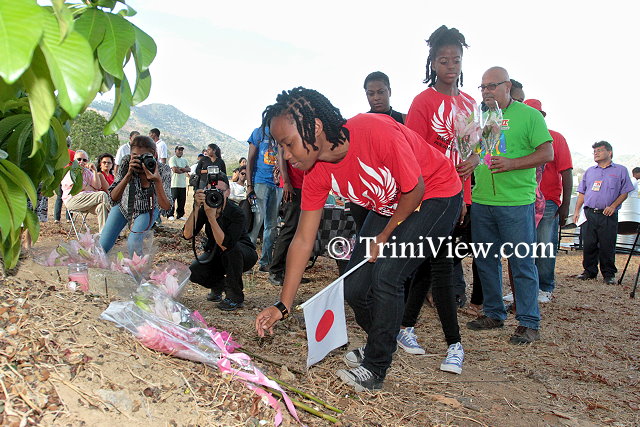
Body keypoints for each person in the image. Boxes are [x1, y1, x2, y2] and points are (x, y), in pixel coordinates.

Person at [254, 87, 462, 392]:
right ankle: (381, 338)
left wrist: (385, 236)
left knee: (387, 274)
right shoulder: (316, 173)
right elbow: (302, 239)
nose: (286, 155)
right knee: (354, 288)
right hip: (390, 204)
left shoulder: (374, 131)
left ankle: (376, 367)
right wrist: (283, 305)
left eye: (288, 143)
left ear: (315, 127)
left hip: (435, 194)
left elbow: (414, 190)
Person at [398, 25, 477, 368]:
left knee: (430, 266)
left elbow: (475, 150)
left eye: (455, 59)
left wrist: (474, 165)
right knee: (442, 266)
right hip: (431, 196)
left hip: (458, 197)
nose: (450, 66)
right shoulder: (423, 102)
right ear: (432, 63)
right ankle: (454, 345)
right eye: (443, 60)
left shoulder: (470, 103)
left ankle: (405, 327)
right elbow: (410, 153)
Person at [466, 67, 554, 345]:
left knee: (521, 263)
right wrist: (469, 161)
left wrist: (513, 163)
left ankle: (528, 322)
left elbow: (547, 153)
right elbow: (476, 151)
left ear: (507, 87)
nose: (486, 91)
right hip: (482, 201)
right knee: (485, 260)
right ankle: (493, 313)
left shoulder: (529, 115)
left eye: (492, 86)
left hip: (516, 203)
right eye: (483, 87)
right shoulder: (480, 118)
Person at [183, 173, 257, 311]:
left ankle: (234, 297)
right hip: (216, 253)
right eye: (211, 191)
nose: (215, 195)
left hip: (242, 254)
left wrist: (212, 218)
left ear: (228, 192)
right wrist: (196, 208)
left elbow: (226, 245)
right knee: (194, 271)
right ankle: (219, 286)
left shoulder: (236, 212)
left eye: (220, 191)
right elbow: (187, 235)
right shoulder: (205, 208)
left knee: (231, 250)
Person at [523, 99, 573, 302]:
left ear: (542, 117)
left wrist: (565, 204)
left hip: (549, 200)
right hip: (523, 199)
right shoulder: (520, 137)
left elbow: (567, 171)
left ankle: (544, 287)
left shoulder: (555, 138)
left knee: (544, 245)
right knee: (524, 246)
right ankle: (525, 288)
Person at [99, 136, 172, 256]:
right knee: (102, 246)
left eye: (144, 157)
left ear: (154, 155)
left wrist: (157, 181)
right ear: (130, 154)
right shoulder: (126, 162)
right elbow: (113, 197)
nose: (140, 161)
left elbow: (166, 207)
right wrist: (128, 175)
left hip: (148, 209)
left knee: (133, 243)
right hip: (123, 206)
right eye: (135, 156)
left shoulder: (163, 170)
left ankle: (137, 268)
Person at [573, 141, 634, 284]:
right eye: (594, 151)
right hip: (589, 213)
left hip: (608, 214)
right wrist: (577, 210)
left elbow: (625, 192)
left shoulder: (620, 170)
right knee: (589, 244)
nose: (596, 153)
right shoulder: (590, 171)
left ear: (609, 152)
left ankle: (608, 274)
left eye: (599, 150)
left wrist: (613, 206)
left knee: (607, 244)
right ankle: (589, 271)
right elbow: (582, 192)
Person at [245, 126, 282, 272]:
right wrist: (249, 185)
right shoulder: (258, 133)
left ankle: (265, 262)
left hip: (277, 184)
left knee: (272, 225)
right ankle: (247, 262)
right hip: (260, 182)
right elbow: (250, 160)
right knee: (256, 222)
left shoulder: (282, 132)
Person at [268, 153, 307, 286]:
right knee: (290, 228)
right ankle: (275, 271)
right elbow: (281, 155)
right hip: (293, 185)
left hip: (306, 185)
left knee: (300, 232)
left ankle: (292, 272)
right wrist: (286, 182)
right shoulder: (287, 141)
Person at [61, 150, 111, 232]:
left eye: (84, 160)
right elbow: (78, 188)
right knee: (102, 194)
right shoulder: (71, 172)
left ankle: (104, 235)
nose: (81, 162)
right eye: (79, 159)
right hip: (73, 200)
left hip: (87, 201)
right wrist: (90, 187)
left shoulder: (87, 172)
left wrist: (94, 171)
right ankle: (116, 216)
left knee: (101, 206)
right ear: (74, 160)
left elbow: (98, 186)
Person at [54, 136, 75, 223]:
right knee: (70, 196)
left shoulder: (57, 154)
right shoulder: (73, 153)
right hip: (69, 178)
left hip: (59, 176)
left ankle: (56, 218)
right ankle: (69, 218)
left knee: (59, 197)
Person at [168, 145, 190, 220]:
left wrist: (181, 168)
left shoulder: (184, 160)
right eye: (179, 150)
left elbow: (189, 169)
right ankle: (170, 214)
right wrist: (183, 170)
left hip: (182, 184)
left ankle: (180, 215)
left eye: (181, 150)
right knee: (172, 200)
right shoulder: (172, 159)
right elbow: (174, 170)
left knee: (182, 201)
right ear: (175, 151)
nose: (180, 151)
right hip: (174, 184)